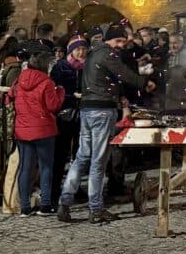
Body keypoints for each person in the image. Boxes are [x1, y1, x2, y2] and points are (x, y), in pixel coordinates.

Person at [57, 24, 153, 224]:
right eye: (118, 41)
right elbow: (124, 74)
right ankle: (96, 208)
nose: (120, 45)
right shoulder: (107, 54)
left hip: (87, 109)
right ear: (109, 40)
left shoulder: (93, 54)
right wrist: (146, 83)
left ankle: (64, 204)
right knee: (98, 161)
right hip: (102, 110)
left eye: (122, 42)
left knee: (82, 157)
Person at [12, 51, 65, 216]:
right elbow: (53, 105)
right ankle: (46, 205)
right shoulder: (47, 82)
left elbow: (11, 96)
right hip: (43, 129)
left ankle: (25, 207)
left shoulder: (19, 80)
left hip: (23, 129)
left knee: (25, 168)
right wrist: (60, 91)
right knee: (46, 167)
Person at [50, 37, 87, 203]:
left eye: (84, 49)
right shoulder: (61, 67)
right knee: (60, 154)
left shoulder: (87, 67)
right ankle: (54, 190)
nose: (81, 52)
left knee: (79, 154)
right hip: (65, 115)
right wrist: (72, 97)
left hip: (82, 115)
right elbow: (54, 90)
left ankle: (74, 187)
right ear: (71, 50)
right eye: (77, 49)